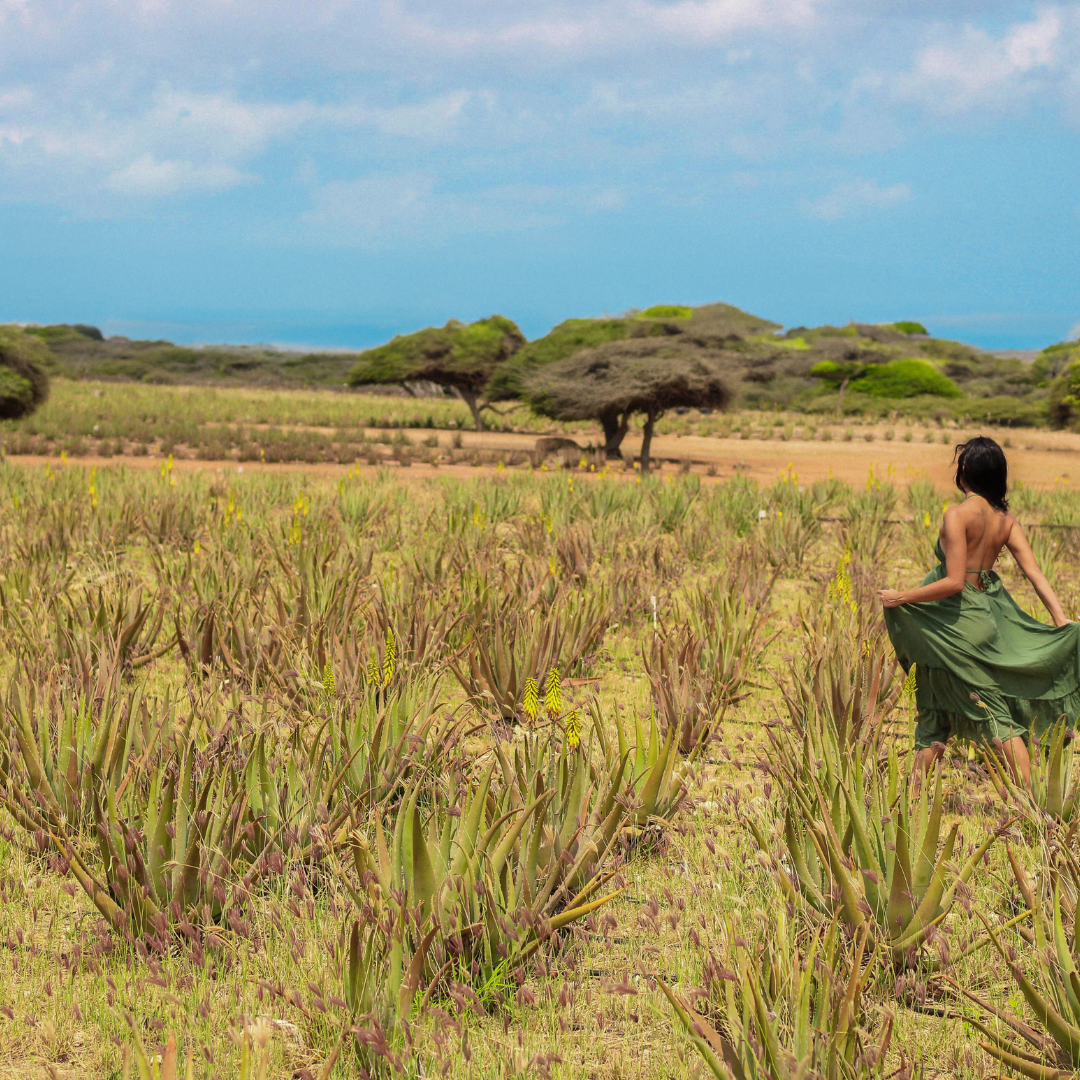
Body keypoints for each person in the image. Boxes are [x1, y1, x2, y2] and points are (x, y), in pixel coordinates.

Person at [879, 437, 1078, 788]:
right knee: (935, 705)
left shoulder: (957, 515)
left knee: (993, 715)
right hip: (985, 616)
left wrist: (902, 596)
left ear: (965, 471)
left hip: (956, 623)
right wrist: (1061, 619)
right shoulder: (1004, 520)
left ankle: (1033, 804)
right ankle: (909, 801)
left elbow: (955, 581)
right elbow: (1035, 572)